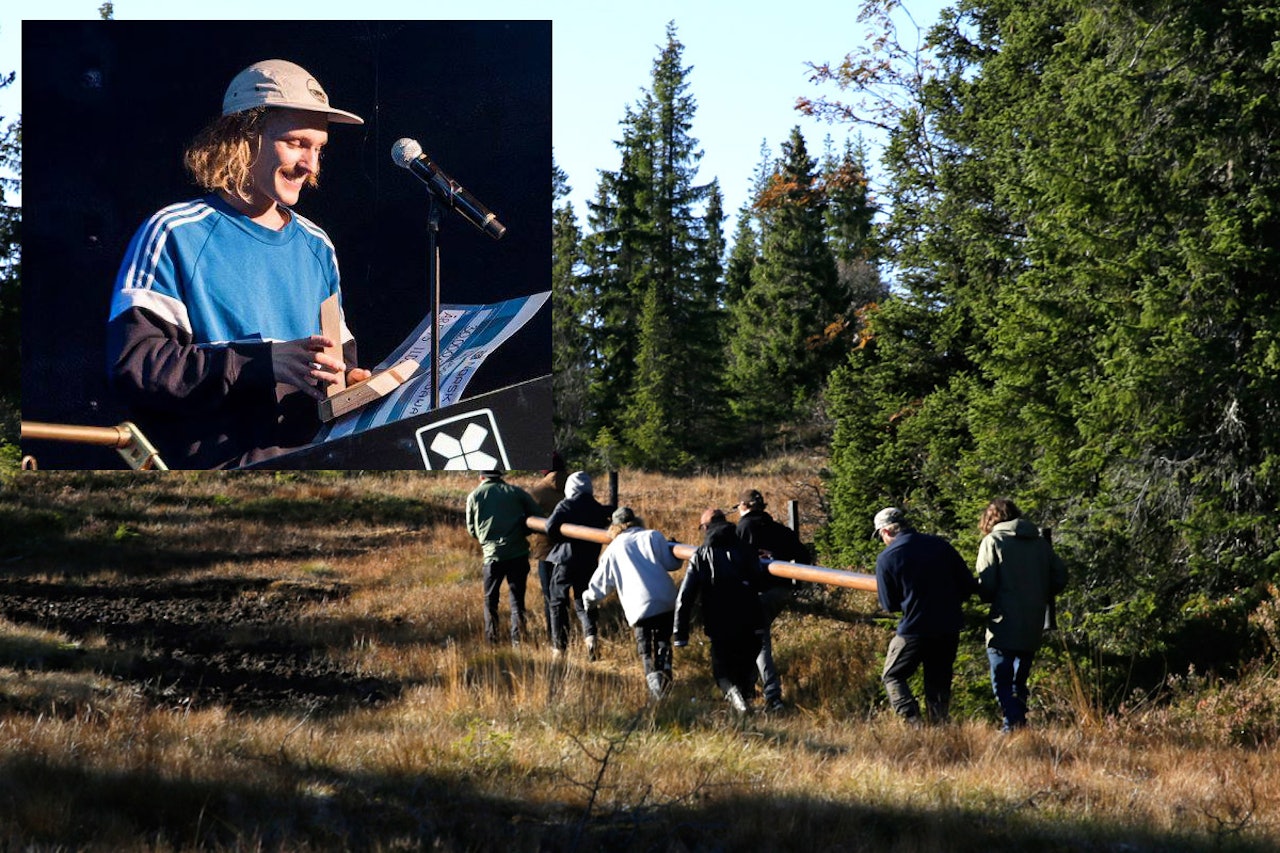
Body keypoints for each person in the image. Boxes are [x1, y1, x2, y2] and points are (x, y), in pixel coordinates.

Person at [106, 59, 371, 469]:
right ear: (244, 137)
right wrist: (261, 363)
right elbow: (138, 366)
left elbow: (338, 363)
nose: (311, 165)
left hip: (311, 462)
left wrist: (350, 384)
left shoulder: (318, 245)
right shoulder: (175, 232)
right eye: (297, 143)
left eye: (319, 149)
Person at [872, 506, 978, 725]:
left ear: (885, 532)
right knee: (938, 683)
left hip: (914, 628)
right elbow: (967, 586)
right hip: (948, 627)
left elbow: (889, 604)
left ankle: (914, 724)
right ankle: (939, 729)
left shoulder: (887, 558)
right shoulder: (940, 546)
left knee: (892, 676)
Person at [975, 498, 1068, 732]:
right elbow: (1060, 577)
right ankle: (1016, 725)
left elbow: (987, 586)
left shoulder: (993, 541)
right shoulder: (1039, 543)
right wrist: (1039, 593)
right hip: (1033, 620)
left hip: (1003, 621)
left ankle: (1014, 723)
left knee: (1001, 679)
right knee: (1020, 679)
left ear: (990, 519)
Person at [674, 508, 768, 714]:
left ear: (706, 528)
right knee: (744, 667)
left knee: (722, 671)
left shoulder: (701, 554)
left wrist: (680, 633)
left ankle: (737, 701)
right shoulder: (746, 549)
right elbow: (759, 581)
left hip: (719, 620)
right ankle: (743, 703)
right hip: (749, 618)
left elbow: (685, 596)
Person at [583, 507, 682, 700]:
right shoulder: (652, 536)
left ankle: (658, 695)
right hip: (666, 600)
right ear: (636, 521)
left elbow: (600, 587)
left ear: (614, 527)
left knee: (646, 651)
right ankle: (666, 679)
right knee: (663, 643)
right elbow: (672, 564)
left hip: (640, 608)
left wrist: (588, 600)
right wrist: (674, 545)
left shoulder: (612, 550)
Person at [735, 488, 810, 713]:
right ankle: (750, 689)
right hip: (781, 591)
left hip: (757, 593)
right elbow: (804, 556)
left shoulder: (743, 527)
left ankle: (772, 696)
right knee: (755, 639)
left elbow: (736, 560)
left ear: (744, 506)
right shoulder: (780, 530)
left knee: (759, 642)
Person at [465, 470, 541, 646]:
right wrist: (523, 530)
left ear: (481, 477)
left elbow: (471, 530)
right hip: (518, 553)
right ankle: (518, 641)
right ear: (500, 475)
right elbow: (537, 517)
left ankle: (492, 641)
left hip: (492, 556)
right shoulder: (516, 492)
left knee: (490, 601)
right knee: (517, 601)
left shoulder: (474, 496)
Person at [545, 471, 612, 658]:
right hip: (589, 560)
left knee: (558, 601)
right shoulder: (597, 508)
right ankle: (591, 636)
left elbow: (550, 528)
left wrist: (561, 537)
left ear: (570, 487)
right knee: (584, 601)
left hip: (566, 560)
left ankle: (559, 647)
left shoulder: (566, 505)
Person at [528, 452, 568, 642]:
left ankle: (554, 637)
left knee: (549, 595)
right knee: (568, 593)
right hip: (572, 549)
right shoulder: (575, 486)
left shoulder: (538, 492)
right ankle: (570, 634)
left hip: (546, 549)